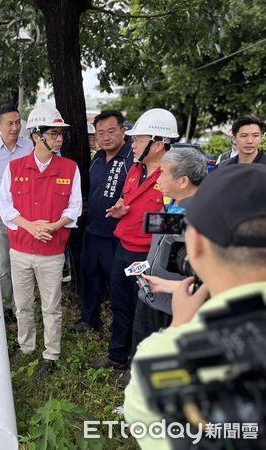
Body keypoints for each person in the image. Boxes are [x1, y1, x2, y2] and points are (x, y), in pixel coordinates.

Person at [124, 164, 266, 449]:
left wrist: (177, 329)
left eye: (165, 174)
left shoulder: (164, 357)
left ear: (196, 245)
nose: (160, 180)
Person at [90, 108, 179, 372]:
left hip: (149, 259)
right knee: (121, 305)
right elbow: (130, 199)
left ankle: (138, 366)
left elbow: (179, 222)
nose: (134, 144)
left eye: (139, 140)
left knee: (146, 312)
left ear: (159, 143)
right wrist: (122, 207)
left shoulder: (174, 178)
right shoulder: (135, 170)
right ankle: (117, 356)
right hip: (124, 250)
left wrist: (143, 222)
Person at [0, 103, 82, 378]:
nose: (59, 138)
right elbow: (6, 207)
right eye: (54, 133)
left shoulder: (70, 169)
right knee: (22, 304)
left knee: (51, 306)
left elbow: (74, 207)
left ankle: (51, 354)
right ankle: (26, 348)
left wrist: (55, 226)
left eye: (60, 134)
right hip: (20, 249)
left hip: (52, 250)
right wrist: (31, 227)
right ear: (37, 136)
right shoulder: (15, 168)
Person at [117, 147, 207, 389]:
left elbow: (208, 278)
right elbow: (158, 246)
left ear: (183, 180)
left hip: (175, 304)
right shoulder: (170, 204)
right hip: (151, 294)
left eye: (164, 173)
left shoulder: (202, 218)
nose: (157, 178)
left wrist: (167, 285)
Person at [69, 110, 134, 333]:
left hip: (116, 236)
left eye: (111, 131)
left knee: (117, 285)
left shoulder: (132, 159)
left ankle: (121, 328)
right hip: (92, 229)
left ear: (123, 131)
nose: (105, 137)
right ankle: (90, 320)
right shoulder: (97, 158)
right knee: (90, 276)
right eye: (100, 133)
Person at [0, 104, 33, 317]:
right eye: (10, 123)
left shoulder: (30, 148)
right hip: (0, 216)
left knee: (25, 264)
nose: (15, 128)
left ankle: (22, 308)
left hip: (26, 216)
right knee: (3, 265)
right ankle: (6, 308)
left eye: (18, 122)